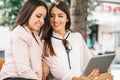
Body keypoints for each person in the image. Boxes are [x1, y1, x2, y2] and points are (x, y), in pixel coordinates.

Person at [42, 0, 100, 80]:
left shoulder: (77, 37)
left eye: (60, 16)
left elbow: (88, 60)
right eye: (52, 16)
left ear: (67, 19)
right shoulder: (45, 42)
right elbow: (56, 70)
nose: (55, 20)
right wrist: (75, 78)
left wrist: (99, 68)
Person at [0, 0, 49, 80]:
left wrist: (42, 62)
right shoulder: (19, 34)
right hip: (13, 77)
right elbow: (24, 70)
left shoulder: (34, 34)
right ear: (28, 13)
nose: (42, 21)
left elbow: (35, 55)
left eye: (44, 18)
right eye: (38, 16)